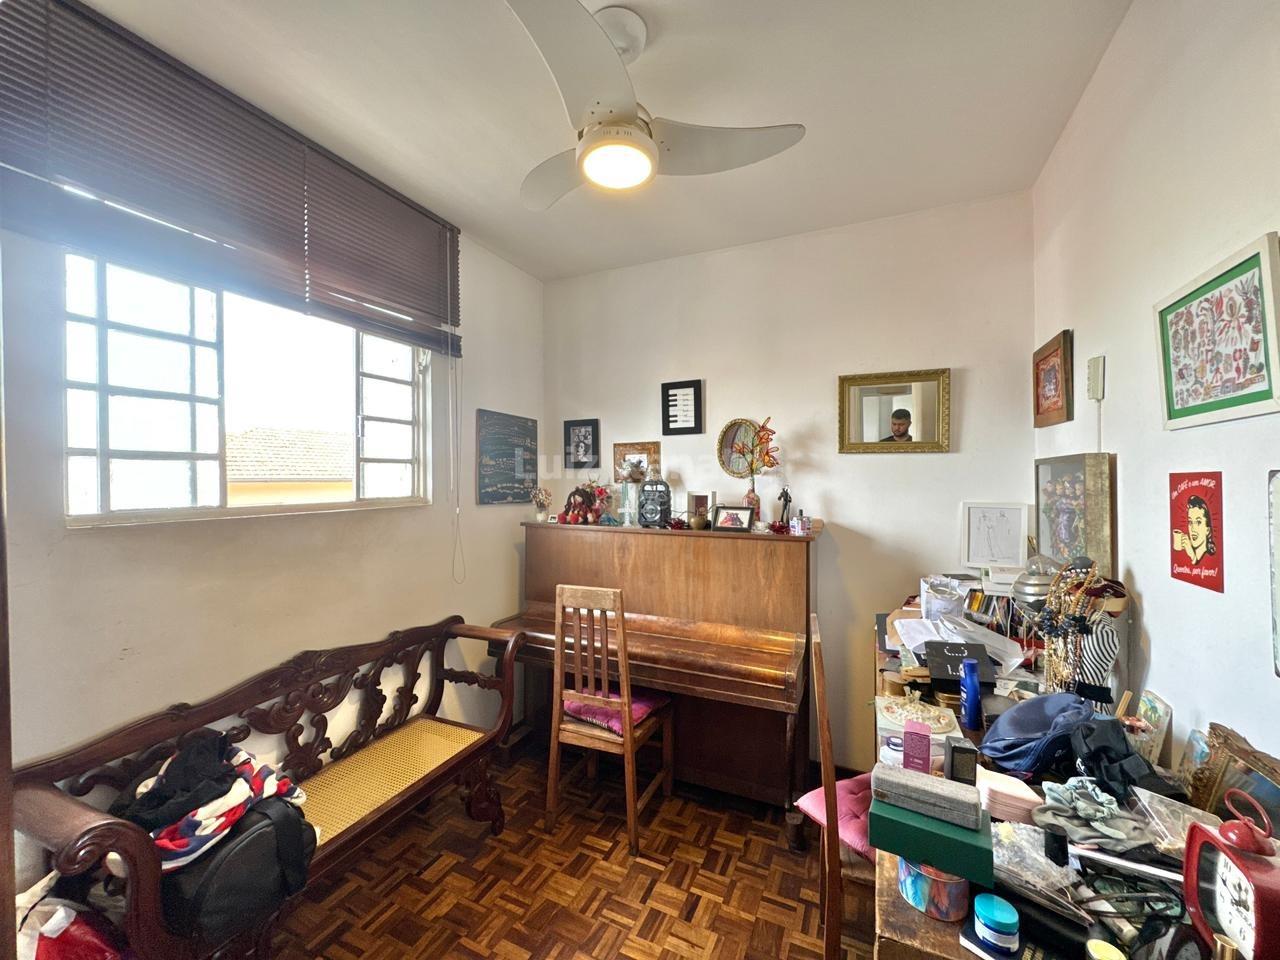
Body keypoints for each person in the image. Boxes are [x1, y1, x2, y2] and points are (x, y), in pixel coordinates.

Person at [1172, 495, 1216, 565]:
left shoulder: (1210, 558)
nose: (1192, 529)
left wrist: (1193, 556)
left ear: (1207, 530)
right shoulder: (1187, 553)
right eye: (1190, 522)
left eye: (1198, 522)